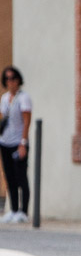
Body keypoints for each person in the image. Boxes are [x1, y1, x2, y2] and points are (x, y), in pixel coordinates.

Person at [0, 66, 32, 223]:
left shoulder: (24, 98)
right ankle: (13, 210)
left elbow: (27, 122)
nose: (10, 81)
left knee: (21, 177)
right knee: (9, 177)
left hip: (19, 142)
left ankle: (23, 211)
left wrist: (23, 143)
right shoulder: (4, 99)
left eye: (12, 78)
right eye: (7, 79)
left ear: (18, 79)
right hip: (5, 142)